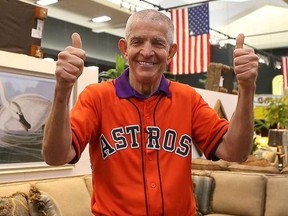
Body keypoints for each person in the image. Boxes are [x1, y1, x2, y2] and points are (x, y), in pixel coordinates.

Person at [42, 9, 258, 216]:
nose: (147, 52)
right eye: (137, 42)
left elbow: (235, 152)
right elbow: (55, 156)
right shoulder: (97, 97)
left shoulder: (187, 99)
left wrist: (247, 88)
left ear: (171, 52)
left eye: (158, 43)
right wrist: (62, 90)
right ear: (124, 48)